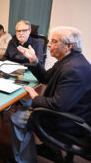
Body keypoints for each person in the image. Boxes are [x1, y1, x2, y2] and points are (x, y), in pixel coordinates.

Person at [9, 26, 91, 163]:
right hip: (74, 112)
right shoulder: (70, 61)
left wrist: (35, 97)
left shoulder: (73, 70)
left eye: (54, 41)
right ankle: (51, 149)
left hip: (72, 123)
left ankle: (24, 161)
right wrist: (34, 60)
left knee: (17, 118)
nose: (48, 44)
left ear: (69, 46)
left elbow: (57, 105)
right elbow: (46, 77)